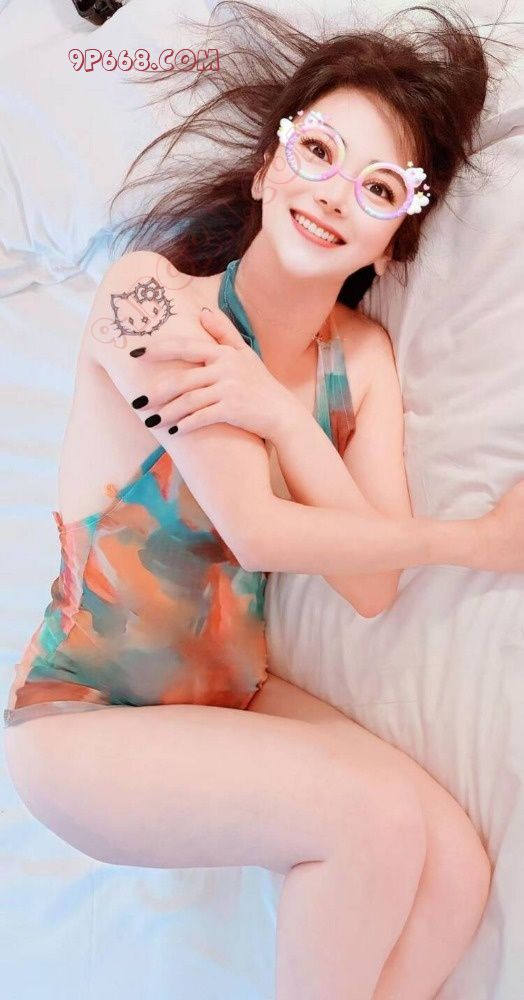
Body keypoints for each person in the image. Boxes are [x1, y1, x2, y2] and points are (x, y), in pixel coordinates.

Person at [3, 3, 522, 998]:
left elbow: (372, 584)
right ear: (264, 170)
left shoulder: (359, 362)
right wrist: (481, 541)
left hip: (226, 696)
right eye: (318, 151)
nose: (333, 193)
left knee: (454, 866)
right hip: (87, 721)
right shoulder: (150, 297)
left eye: (377, 187)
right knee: (371, 823)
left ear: (391, 244)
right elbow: (252, 525)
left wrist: (284, 419)